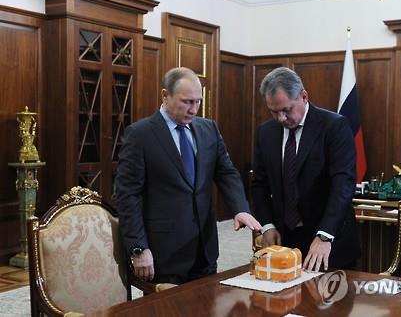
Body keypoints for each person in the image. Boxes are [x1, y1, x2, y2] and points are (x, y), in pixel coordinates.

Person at [115, 67, 261, 284]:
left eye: (198, 102)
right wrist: (138, 248)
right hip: (164, 252)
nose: (194, 110)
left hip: (205, 248)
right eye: (187, 102)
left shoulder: (208, 128)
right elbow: (128, 196)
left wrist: (239, 208)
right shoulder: (140, 135)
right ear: (165, 95)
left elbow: (226, 172)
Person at [251, 67, 360, 272]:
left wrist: (325, 235)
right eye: (274, 111)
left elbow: (343, 185)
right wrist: (267, 225)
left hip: (328, 239)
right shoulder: (265, 132)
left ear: (304, 96)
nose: (281, 118)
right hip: (285, 239)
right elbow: (260, 184)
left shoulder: (334, 126)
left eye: (286, 110)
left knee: (330, 301)